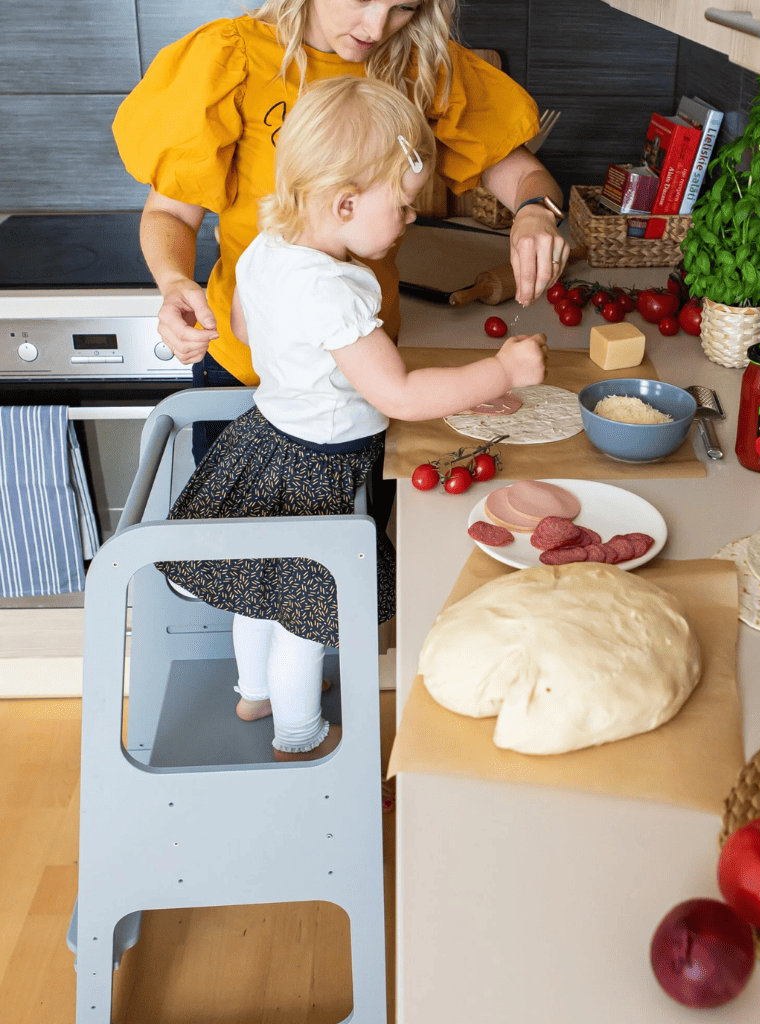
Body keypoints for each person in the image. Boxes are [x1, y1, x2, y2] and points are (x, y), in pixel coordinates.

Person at [159, 75, 547, 763]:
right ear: (344, 203)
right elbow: (399, 395)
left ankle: (253, 693)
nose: (411, 218)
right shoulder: (334, 292)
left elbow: (245, 331)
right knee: (305, 618)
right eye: (403, 204)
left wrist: (332, 367)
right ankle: (298, 734)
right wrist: (502, 371)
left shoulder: (266, 248)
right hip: (317, 468)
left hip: (264, 442)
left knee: (260, 591)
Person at [112, 0, 568, 467]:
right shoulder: (231, 58)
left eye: (403, 7)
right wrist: (174, 283)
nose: (377, 27)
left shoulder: (421, 60)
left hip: (369, 367)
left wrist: (535, 212)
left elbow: (523, 173)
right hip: (243, 374)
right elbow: (169, 213)